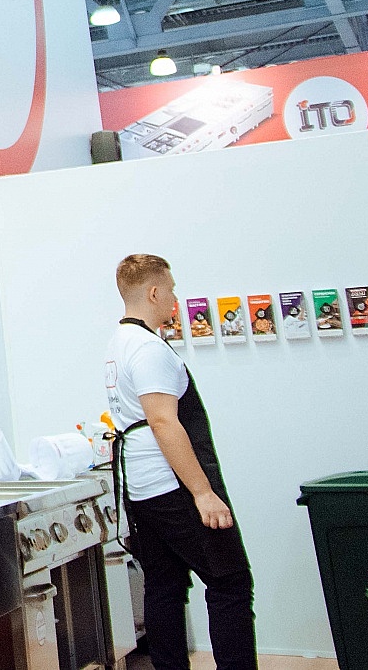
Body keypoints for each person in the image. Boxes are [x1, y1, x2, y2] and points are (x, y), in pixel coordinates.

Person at [105, 254, 256, 670]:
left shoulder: (119, 342)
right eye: (171, 290)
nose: (175, 298)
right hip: (172, 485)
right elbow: (162, 421)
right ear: (154, 292)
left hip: (140, 486)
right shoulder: (148, 349)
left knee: (164, 585)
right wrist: (203, 493)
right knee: (230, 581)